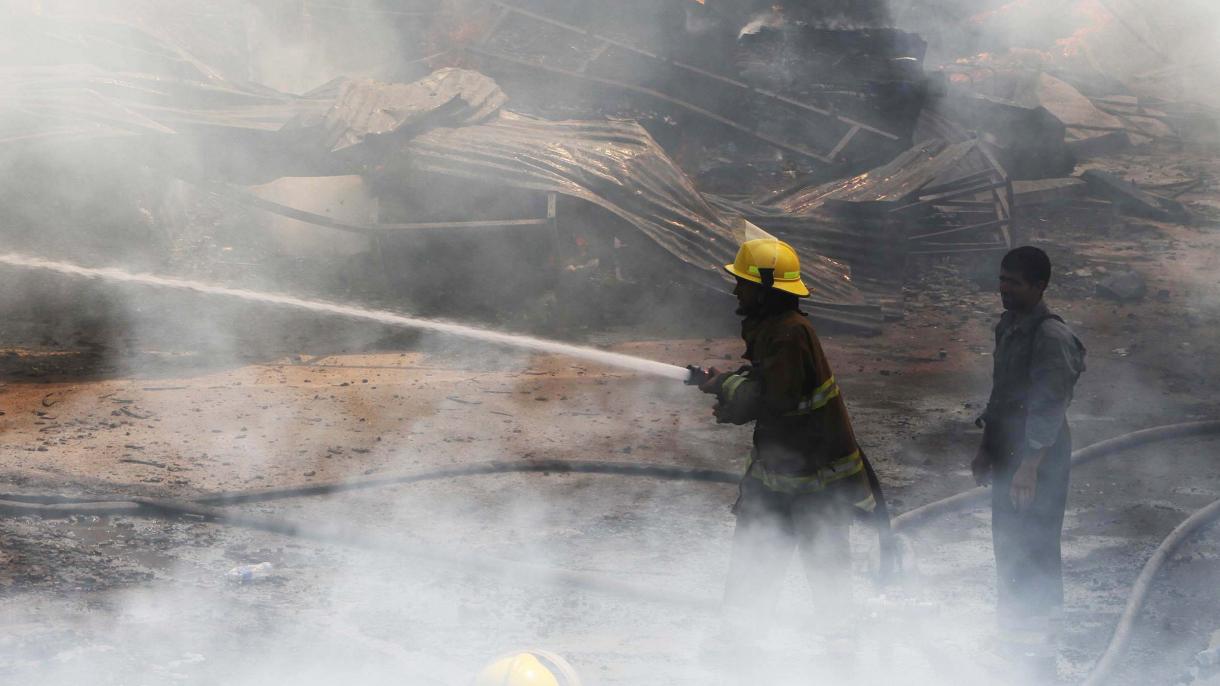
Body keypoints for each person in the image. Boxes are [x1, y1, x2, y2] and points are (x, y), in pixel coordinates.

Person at [698, 235, 885, 640]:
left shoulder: (789, 334)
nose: (735, 289)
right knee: (754, 565)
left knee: (827, 580)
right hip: (780, 477)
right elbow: (770, 383)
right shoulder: (775, 329)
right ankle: (738, 653)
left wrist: (727, 391)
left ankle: (841, 662)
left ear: (766, 289)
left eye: (744, 282)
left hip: (816, 484)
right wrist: (727, 383)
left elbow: (776, 397)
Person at [972, 246, 1086, 670]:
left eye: (1013, 282)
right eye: (1002, 279)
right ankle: (1013, 634)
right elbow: (1002, 393)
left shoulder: (1052, 337)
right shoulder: (1009, 326)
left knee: (1036, 544)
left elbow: (1048, 406)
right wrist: (986, 448)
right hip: (1008, 449)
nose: (1003, 289)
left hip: (1040, 456)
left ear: (1039, 287)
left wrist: (1028, 468)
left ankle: (1041, 648)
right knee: (1007, 542)